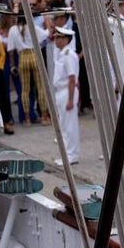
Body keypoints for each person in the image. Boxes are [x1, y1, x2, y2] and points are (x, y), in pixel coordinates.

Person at [51, 26, 80, 167]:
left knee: (69, 125)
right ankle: (67, 154)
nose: (56, 40)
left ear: (66, 39)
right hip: (61, 91)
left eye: (59, 37)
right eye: (56, 37)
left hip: (67, 91)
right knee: (63, 124)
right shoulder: (61, 53)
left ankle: (72, 154)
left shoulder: (69, 55)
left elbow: (72, 78)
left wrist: (70, 99)